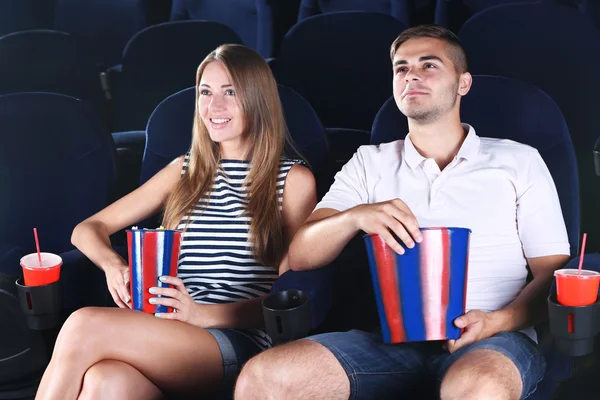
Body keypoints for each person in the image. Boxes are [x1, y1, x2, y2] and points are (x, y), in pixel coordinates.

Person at [234, 25, 571, 400]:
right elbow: (300, 254)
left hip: (496, 340)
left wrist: (499, 321)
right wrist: (355, 217)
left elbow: (554, 273)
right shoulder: (370, 161)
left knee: (478, 388)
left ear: (463, 83)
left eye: (429, 65)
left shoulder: (518, 160)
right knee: (263, 377)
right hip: (391, 342)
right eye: (401, 68)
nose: (411, 74)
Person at [35, 44, 317, 400]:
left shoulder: (293, 180)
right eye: (205, 92)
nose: (214, 106)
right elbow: (87, 230)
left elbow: (288, 297)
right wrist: (112, 266)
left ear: (257, 99)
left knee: (81, 326)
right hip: (168, 330)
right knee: (106, 381)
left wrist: (201, 315)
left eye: (230, 92)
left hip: (238, 340)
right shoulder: (185, 170)